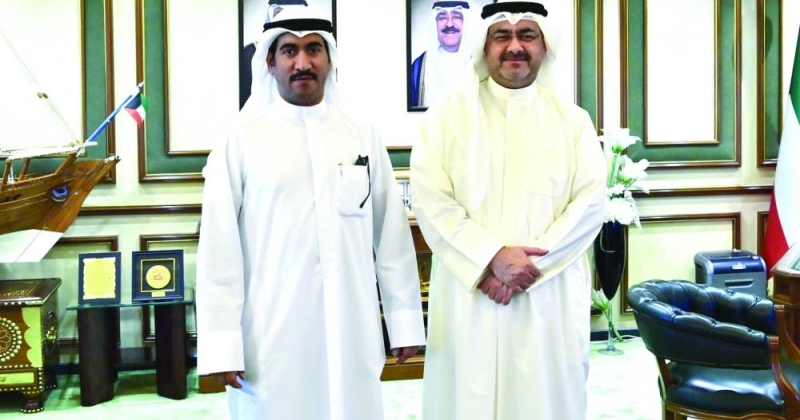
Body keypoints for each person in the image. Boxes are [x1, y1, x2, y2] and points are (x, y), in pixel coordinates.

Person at [196, 8, 426, 420]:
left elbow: (391, 235)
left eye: (313, 49)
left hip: (351, 325)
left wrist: (404, 320)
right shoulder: (241, 140)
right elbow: (219, 251)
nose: (302, 62)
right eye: (289, 51)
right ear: (270, 61)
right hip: (271, 332)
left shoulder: (361, 135)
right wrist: (222, 344)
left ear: (329, 59)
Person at [410, 1, 606, 419]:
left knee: (545, 399)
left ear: (544, 46)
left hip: (547, 293)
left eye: (527, 35)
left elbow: (589, 204)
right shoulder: (445, 118)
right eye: (502, 36)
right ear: (484, 46)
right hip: (472, 290)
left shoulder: (573, 122)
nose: (514, 46)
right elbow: (431, 199)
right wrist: (490, 260)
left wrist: (528, 267)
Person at [409, 0, 473, 108]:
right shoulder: (418, 67)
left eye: (456, 17)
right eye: (442, 18)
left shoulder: (481, 62)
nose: (449, 24)